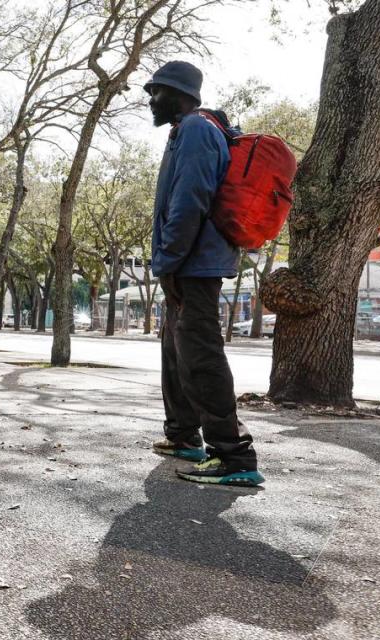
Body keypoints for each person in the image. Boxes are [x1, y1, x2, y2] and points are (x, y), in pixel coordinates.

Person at [144, 61, 264, 487]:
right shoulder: (187, 130)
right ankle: (183, 437)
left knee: (200, 355)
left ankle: (234, 456)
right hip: (186, 264)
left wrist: (169, 262)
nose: (150, 99)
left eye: (155, 91)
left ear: (178, 93)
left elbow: (189, 201)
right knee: (176, 351)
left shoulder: (197, 129)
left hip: (193, 265)